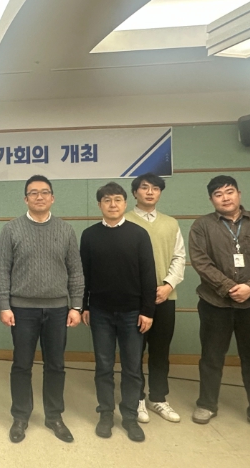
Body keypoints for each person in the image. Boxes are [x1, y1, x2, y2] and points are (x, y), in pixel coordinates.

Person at [189, 175, 250, 438]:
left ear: (239, 194)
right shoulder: (202, 226)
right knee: (211, 357)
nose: (225, 197)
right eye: (218, 194)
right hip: (215, 303)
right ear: (211, 199)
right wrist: (230, 287)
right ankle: (206, 405)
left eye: (229, 191)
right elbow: (201, 262)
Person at [0, 175, 84, 444]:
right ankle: (20, 416)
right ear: (26, 199)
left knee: (55, 365)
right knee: (22, 365)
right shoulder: (11, 229)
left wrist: (76, 306)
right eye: (33, 193)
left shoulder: (66, 230)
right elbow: (2, 271)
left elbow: (76, 271)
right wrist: (4, 305)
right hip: (22, 310)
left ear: (52, 198)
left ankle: (54, 416)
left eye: (45, 192)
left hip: (58, 309)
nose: (39, 197)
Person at [80, 182, 156, 442]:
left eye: (117, 200)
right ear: (99, 205)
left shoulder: (139, 234)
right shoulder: (89, 235)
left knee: (132, 367)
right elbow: (84, 275)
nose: (112, 205)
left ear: (125, 203)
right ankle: (105, 413)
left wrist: (148, 311)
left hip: (132, 313)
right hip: (99, 312)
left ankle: (130, 417)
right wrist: (84, 305)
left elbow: (148, 275)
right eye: (107, 200)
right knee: (103, 366)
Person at [125, 173, 185, 423]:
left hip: (164, 298)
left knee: (160, 350)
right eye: (144, 187)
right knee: (134, 351)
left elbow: (179, 257)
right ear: (135, 192)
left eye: (155, 188)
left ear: (160, 193)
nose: (150, 192)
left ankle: (158, 398)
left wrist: (168, 285)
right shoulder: (123, 221)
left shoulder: (171, 223)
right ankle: (137, 398)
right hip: (134, 300)